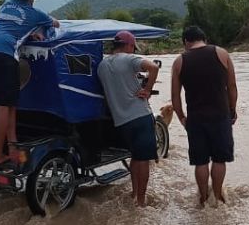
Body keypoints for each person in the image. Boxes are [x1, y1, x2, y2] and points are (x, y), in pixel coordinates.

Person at [0, 0, 59, 168]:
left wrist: (28, 33)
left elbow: (9, 27)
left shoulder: (6, 6)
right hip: (5, 54)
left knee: (9, 105)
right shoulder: (35, 13)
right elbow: (56, 24)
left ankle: (12, 145)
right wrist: (37, 28)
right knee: (3, 107)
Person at [171, 25, 238, 207]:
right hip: (220, 115)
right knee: (219, 159)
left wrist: (182, 118)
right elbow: (231, 86)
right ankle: (217, 196)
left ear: (186, 41)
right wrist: (232, 110)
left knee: (200, 161)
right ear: (204, 39)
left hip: (195, 118)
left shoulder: (179, 62)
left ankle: (202, 198)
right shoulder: (222, 53)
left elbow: (175, 96)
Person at [98, 31, 160, 207]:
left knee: (135, 157)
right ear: (129, 46)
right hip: (140, 116)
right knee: (144, 159)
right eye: (133, 47)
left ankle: (134, 193)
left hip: (121, 121)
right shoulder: (129, 59)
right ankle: (141, 201)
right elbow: (154, 68)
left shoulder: (102, 65)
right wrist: (148, 89)